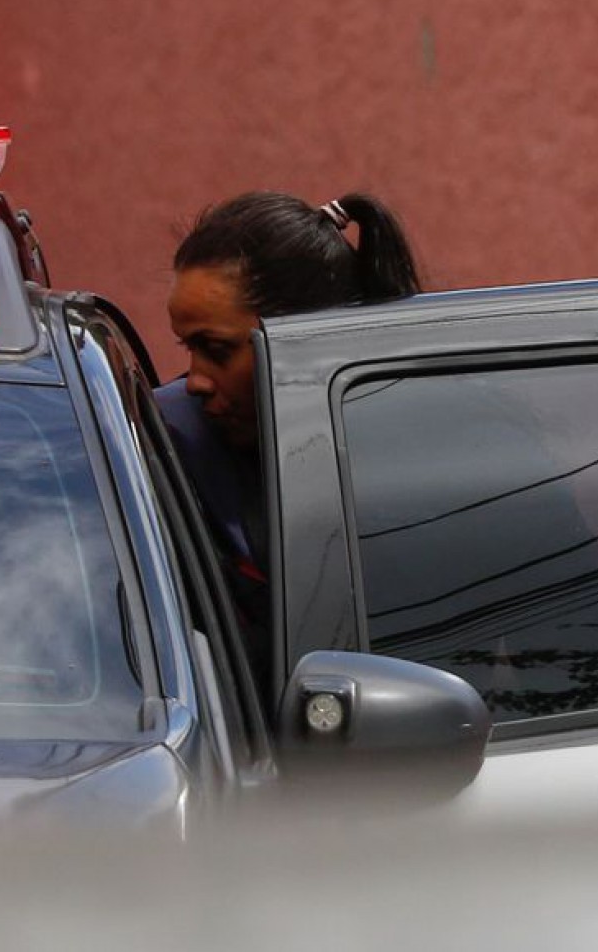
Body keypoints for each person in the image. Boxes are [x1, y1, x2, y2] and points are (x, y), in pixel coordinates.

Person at [158, 191, 423, 682]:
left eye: (216, 349)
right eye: (188, 348)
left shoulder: (440, 468)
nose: (194, 380)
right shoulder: (168, 449)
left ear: (304, 342)